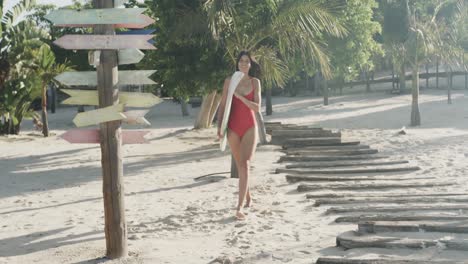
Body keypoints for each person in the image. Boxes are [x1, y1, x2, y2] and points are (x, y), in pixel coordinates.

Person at [217, 51, 262, 220]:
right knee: (240, 165)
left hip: (250, 127)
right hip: (233, 128)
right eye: (241, 61)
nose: (243, 64)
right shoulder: (229, 81)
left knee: (245, 165)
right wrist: (220, 127)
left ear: (251, 65)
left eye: (247, 61)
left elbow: (257, 107)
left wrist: (241, 97)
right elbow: (222, 105)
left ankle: (239, 206)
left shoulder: (255, 82)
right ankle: (248, 196)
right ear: (237, 63)